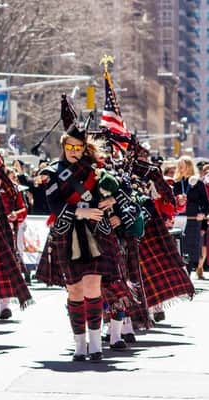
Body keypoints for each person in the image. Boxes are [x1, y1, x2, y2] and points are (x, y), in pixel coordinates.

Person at [37, 122, 120, 362]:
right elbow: (53, 204)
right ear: (64, 146)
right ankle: (79, 343)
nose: (74, 150)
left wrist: (111, 200)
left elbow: (121, 189)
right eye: (70, 146)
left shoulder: (96, 170)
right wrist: (79, 212)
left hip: (96, 232)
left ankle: (95, 344)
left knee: (93, 286)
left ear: (85, 148)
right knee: (74, 289)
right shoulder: (52, 172)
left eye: (79, 147)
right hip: (66, 233)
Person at [173, 156, 209, 275]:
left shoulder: (198, 183)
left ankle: (188, 274)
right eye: (179, 166)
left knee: (190, 248)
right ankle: (181, 275)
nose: (180, 168)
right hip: (178, 218)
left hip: (193, 219)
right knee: (179, 246)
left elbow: (206, 203)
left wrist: (203, 214)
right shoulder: (176, 183)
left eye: (182, 165)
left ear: (188, 166)